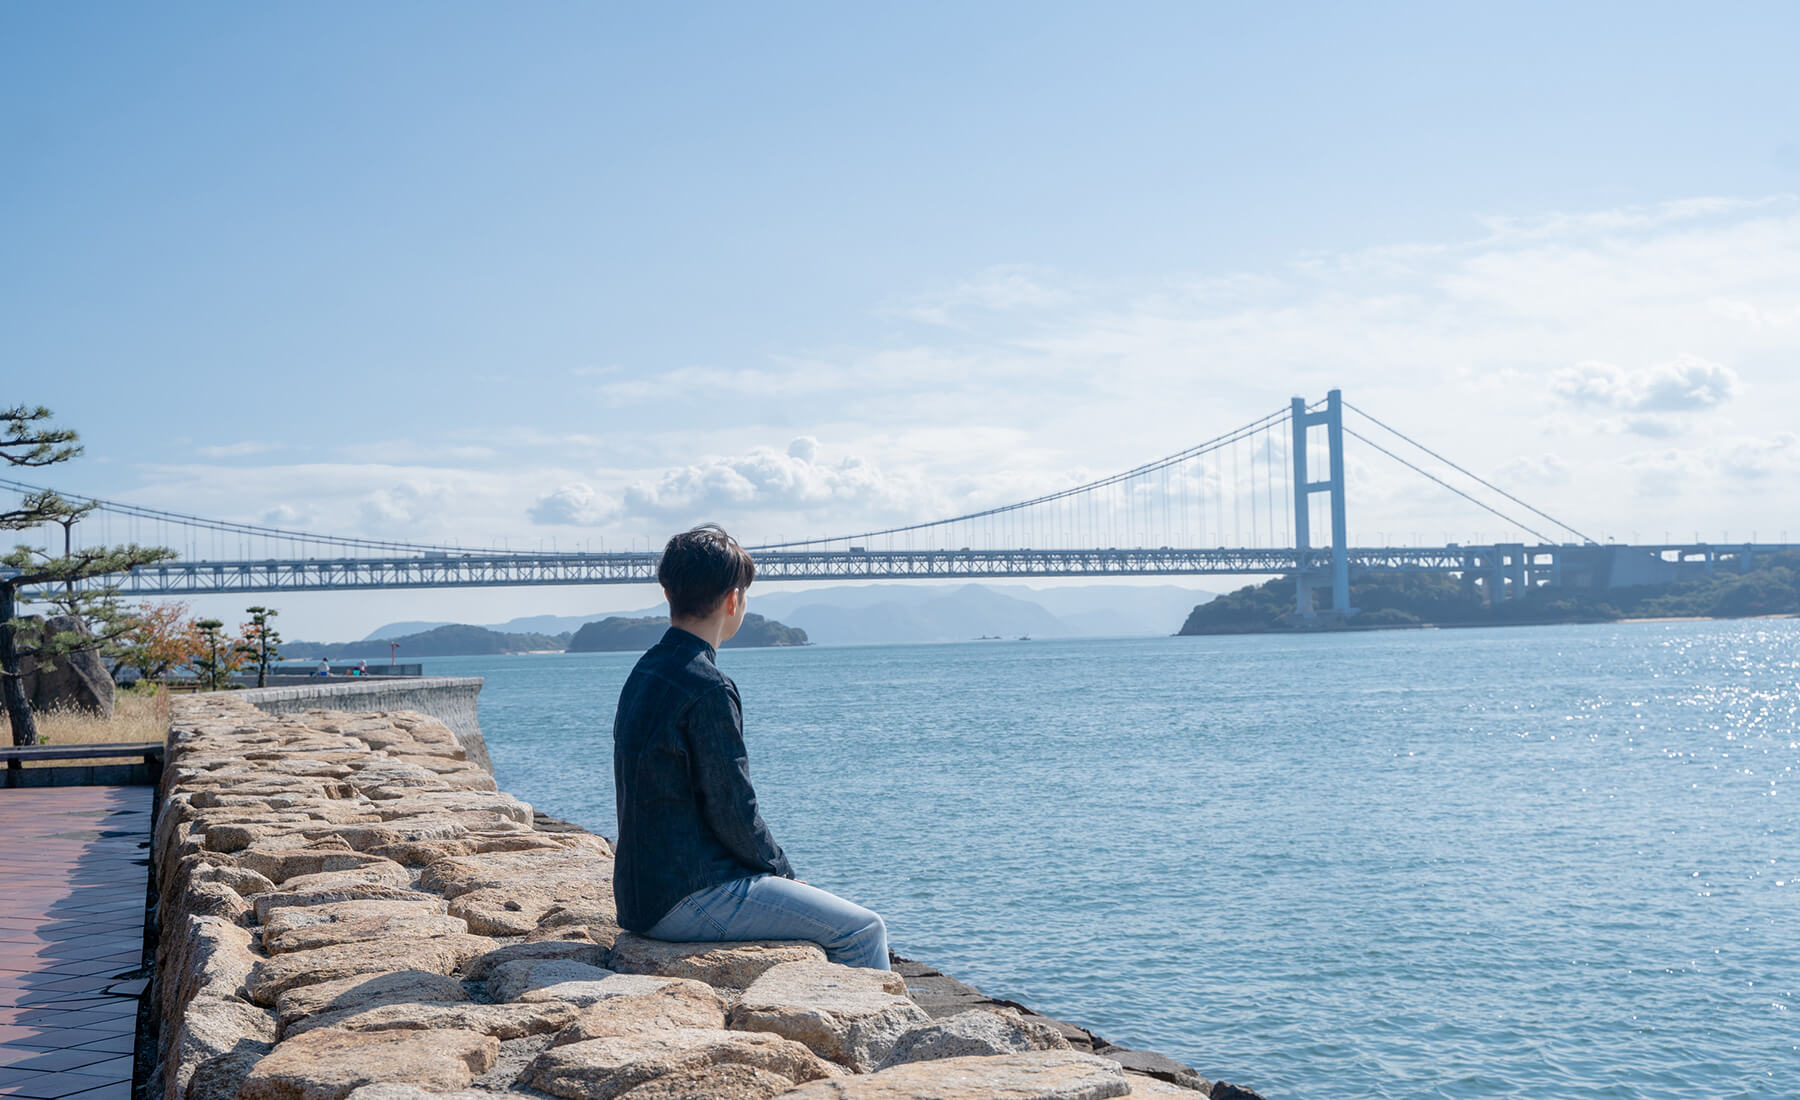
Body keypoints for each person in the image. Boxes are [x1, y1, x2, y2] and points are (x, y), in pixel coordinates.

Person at [612, 524, 889, 969]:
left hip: (640, 895)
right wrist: (784, 874)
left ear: (668, 595)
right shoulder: (707, 687)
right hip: (686, 897)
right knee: (862, 930)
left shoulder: (646, 670)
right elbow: (733, 809)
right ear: (732, 600)